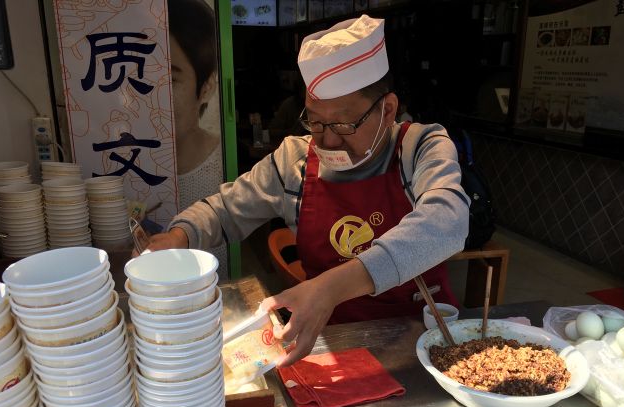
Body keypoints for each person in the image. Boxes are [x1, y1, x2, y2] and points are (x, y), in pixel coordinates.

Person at [144, 15, 469, 366]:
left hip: (422, 343)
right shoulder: (296, 161)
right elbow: (224, 210)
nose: (328, 139)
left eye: (345, 123)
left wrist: (330, 287)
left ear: (388, 110)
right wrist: (178, 236)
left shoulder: (421, 147)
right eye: (315, 121)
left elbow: (447, 220)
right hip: (327, 343)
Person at [168, 0, 227, 278]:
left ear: (206, 87)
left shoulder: (221, 164)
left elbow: (230, 210)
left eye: (170, 79)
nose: (153, 97)